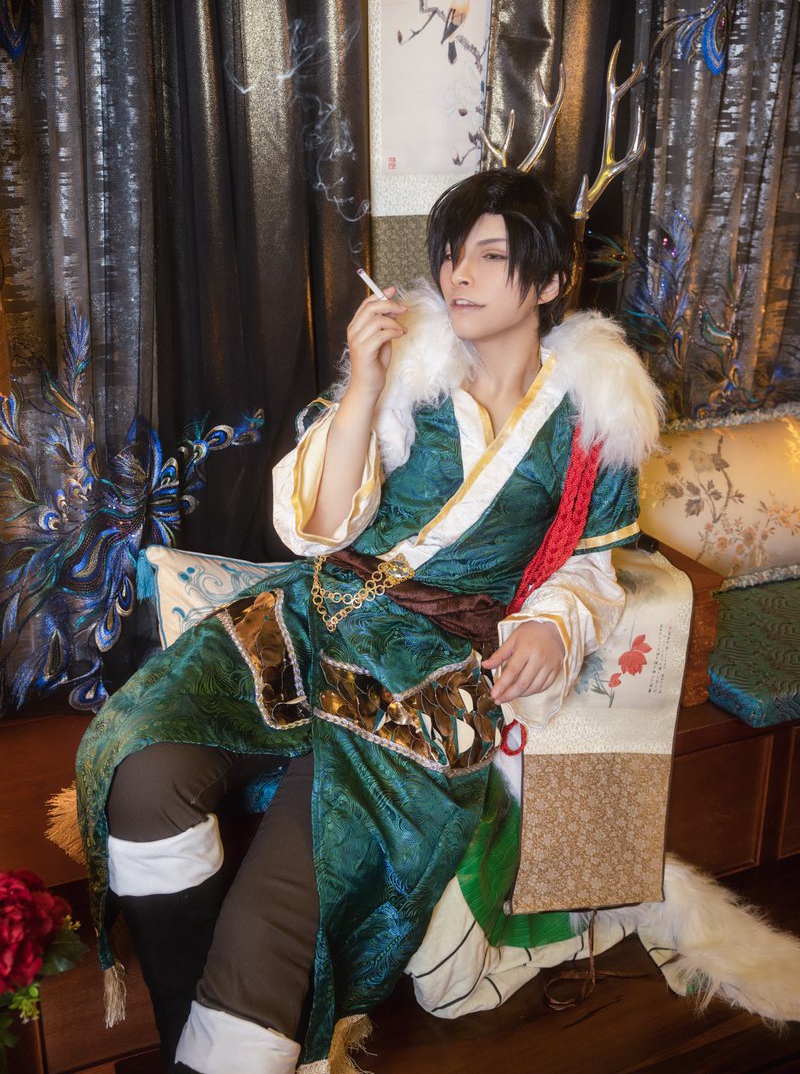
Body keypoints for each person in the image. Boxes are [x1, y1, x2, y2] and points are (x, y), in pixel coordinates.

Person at [75, 168, 662, 1074]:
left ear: (549, 281)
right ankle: (190, 1041)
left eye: (491, 256)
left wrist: (554, 625)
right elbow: (314, 526)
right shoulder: (412, 370)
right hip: (305, 623)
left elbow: (590, 562)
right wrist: (363, 385)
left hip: (421, 681)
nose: (459, 273)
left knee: (277, 917)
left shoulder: (594, 417)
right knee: (141, 772)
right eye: (452, 253)